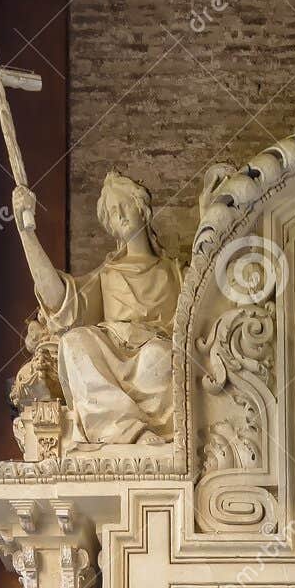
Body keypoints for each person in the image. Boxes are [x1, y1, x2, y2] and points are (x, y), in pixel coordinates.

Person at [11, 170, 182, 447]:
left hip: (157, 355)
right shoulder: (106, 275)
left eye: (126, 206)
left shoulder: (176, 273)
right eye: (114, 213)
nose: (122, 215)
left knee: (156, 358)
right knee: (74, 342)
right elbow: (60, 301)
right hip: (112, 350)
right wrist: (26, 234)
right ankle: (130, 433)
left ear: (143, 210)